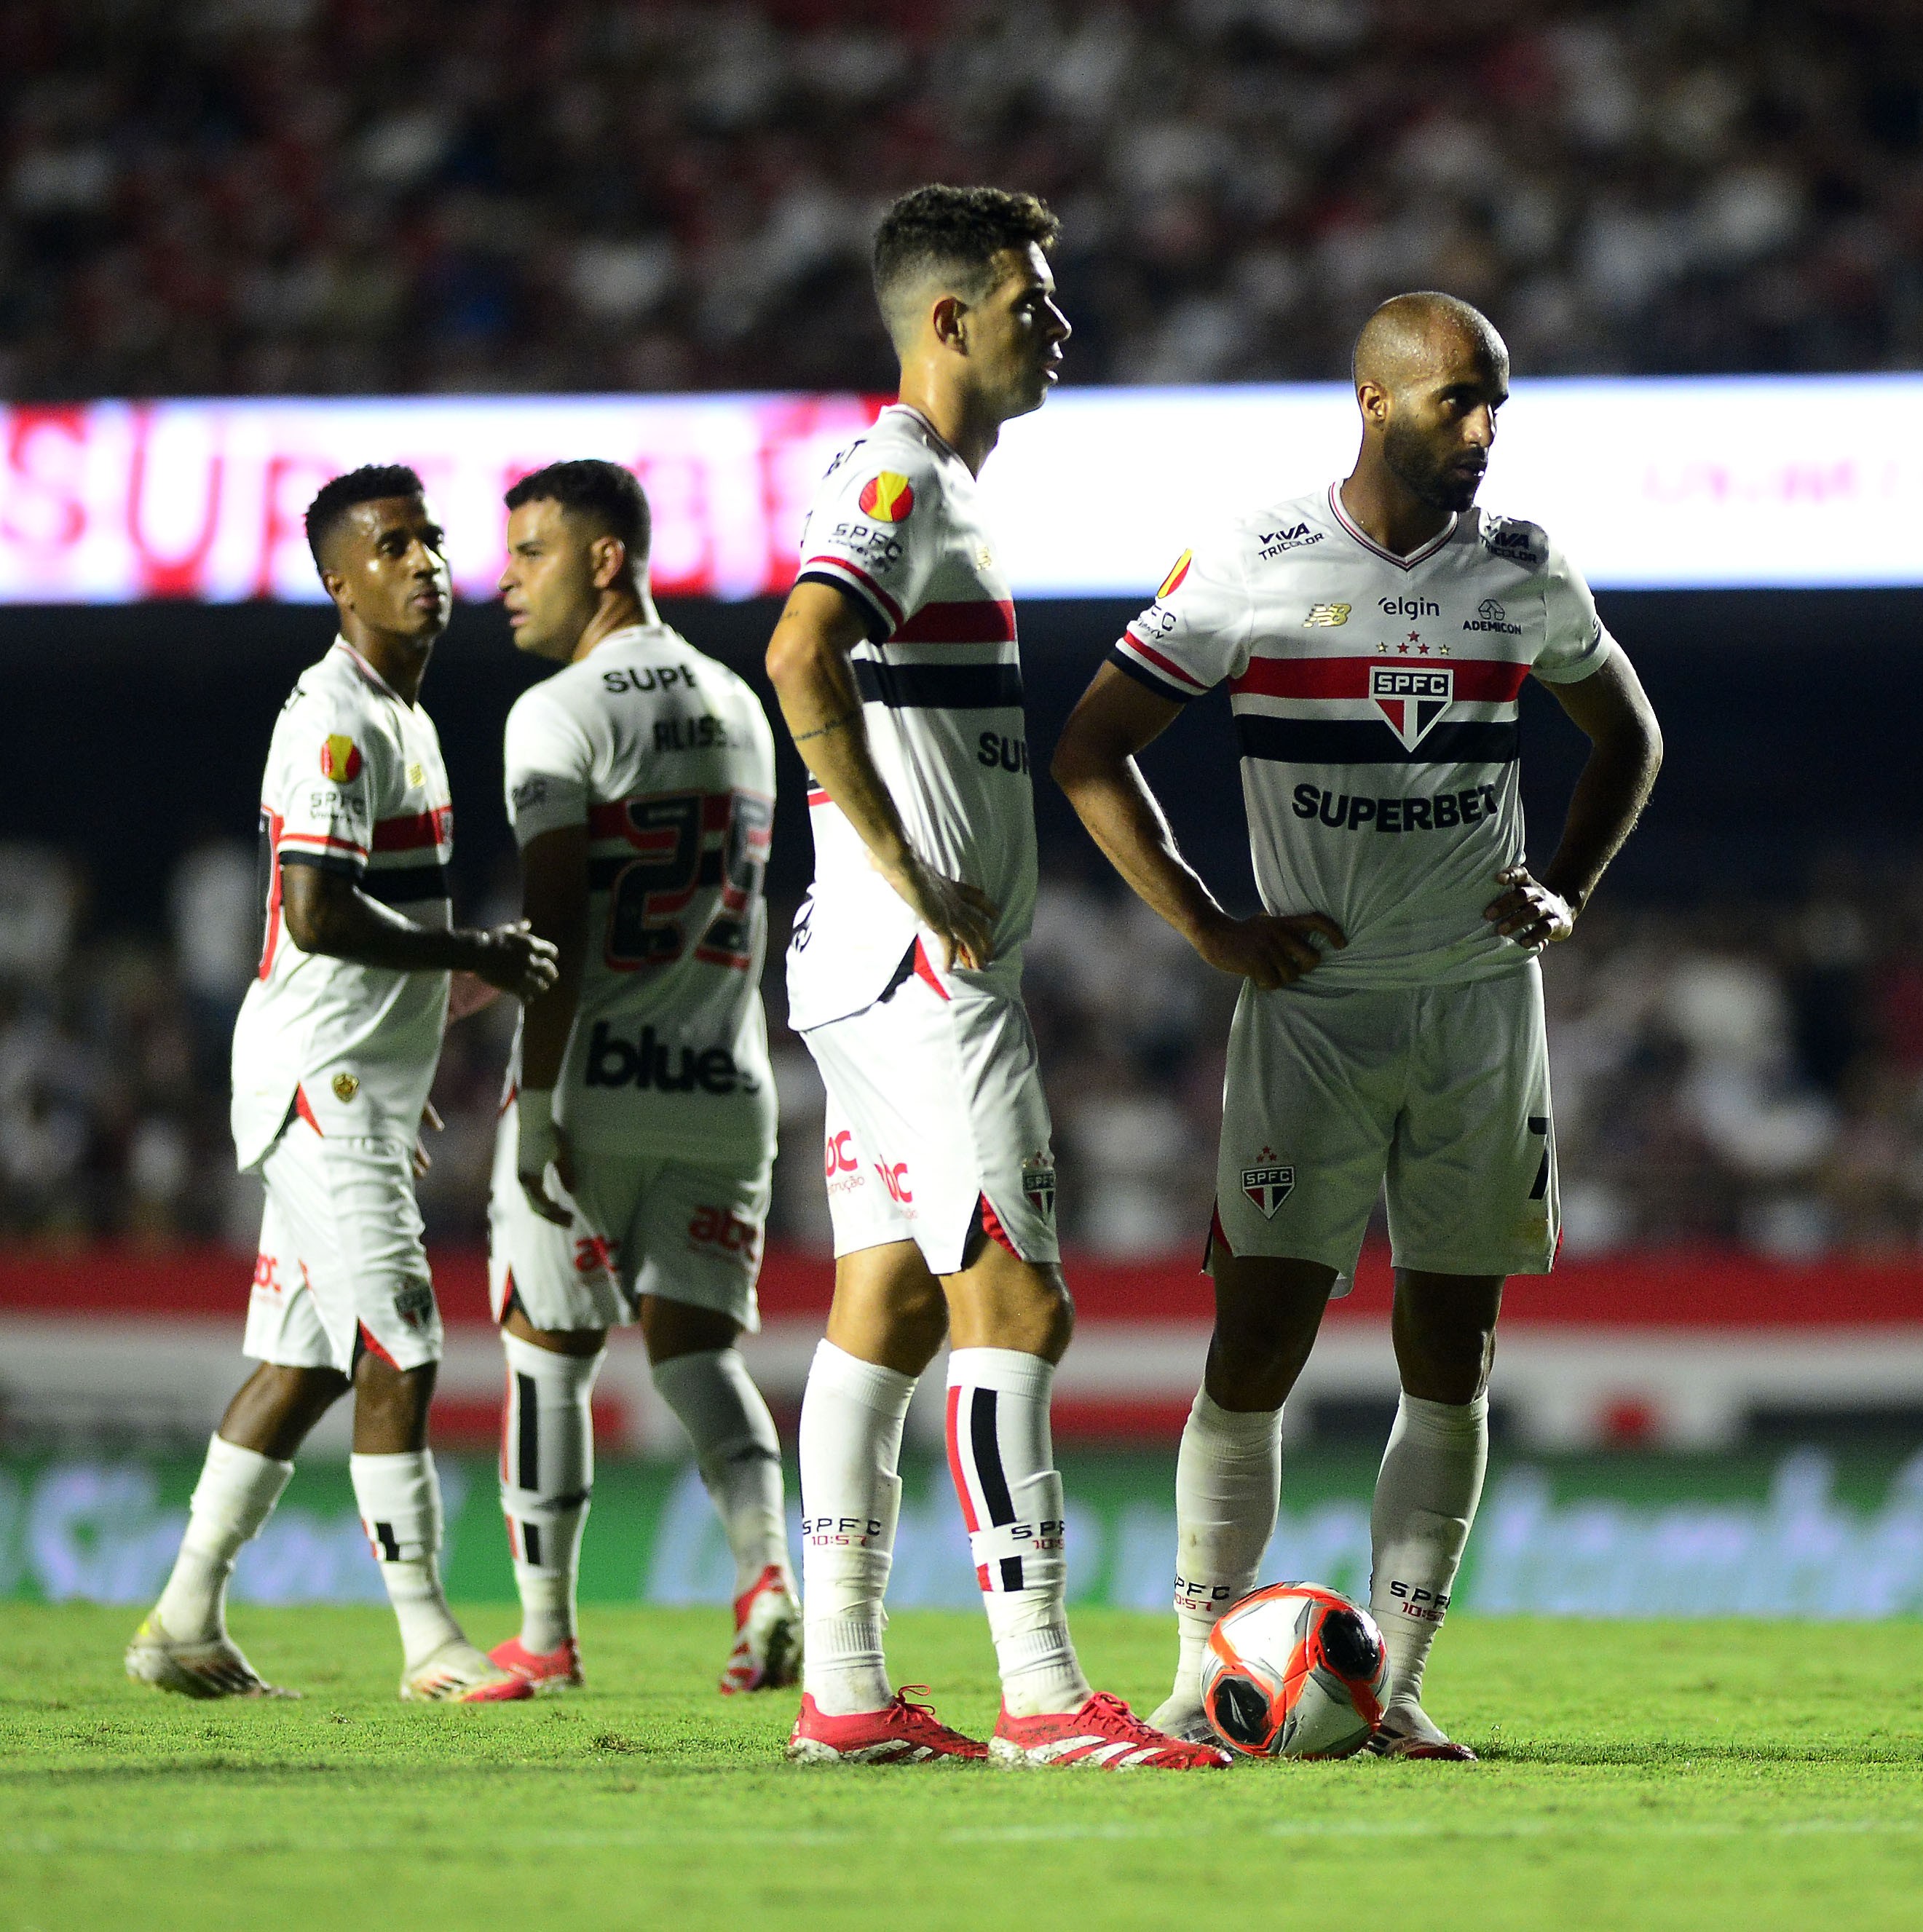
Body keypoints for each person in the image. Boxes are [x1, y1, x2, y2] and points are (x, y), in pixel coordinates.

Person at [1054, 292, 1663, 1759]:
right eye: (1460, 401)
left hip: (1473, 1012)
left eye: (1497, 402)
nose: (1486, 431)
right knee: (1256, 1335)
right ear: (1374, 402)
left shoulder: (1521, 569)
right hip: (1310, 1018)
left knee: (1450, 1349)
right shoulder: (1253, 563)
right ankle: (1204, 1666)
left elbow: (1626, 736)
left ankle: (1391, 1690)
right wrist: (1208, 923)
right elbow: (1088, 750)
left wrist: (1565, 887)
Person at [763, 184, 1224, 1768]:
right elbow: (798, 653)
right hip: (918, 973)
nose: (1061, 327)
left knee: (884, 1306)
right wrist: (911, 866)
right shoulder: (897, 477)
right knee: (1016, 1298)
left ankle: (842, 1685)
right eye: (1034, 300)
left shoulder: (928, 486)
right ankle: (1039, 1692)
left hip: (856, 968)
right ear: (948, 318)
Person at [127, 466, 559, 1703]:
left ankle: (181, 1616)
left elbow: (368, 929)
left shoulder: (407, 717)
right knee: (402, 1344)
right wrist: (469, 956)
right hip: (321, 1081)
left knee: (306, 1362)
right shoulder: (333, 718)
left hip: (350, 1074)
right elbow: (315, 913)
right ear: (338, 579)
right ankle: (428, 1640)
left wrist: (424, 1023)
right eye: (393, 545)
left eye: (431, 538)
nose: (426, 561)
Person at [479, 459, 797, 1696]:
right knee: (699, 1357)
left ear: (605, 559)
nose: (505, 582)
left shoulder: (556, 715)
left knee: (546, 1354)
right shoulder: (737, 705)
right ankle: (765, 1579)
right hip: (724, 1084)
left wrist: (540, 1105)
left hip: (595, 1083)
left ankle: (546, 1640)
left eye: (529, 554)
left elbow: (557, 920)